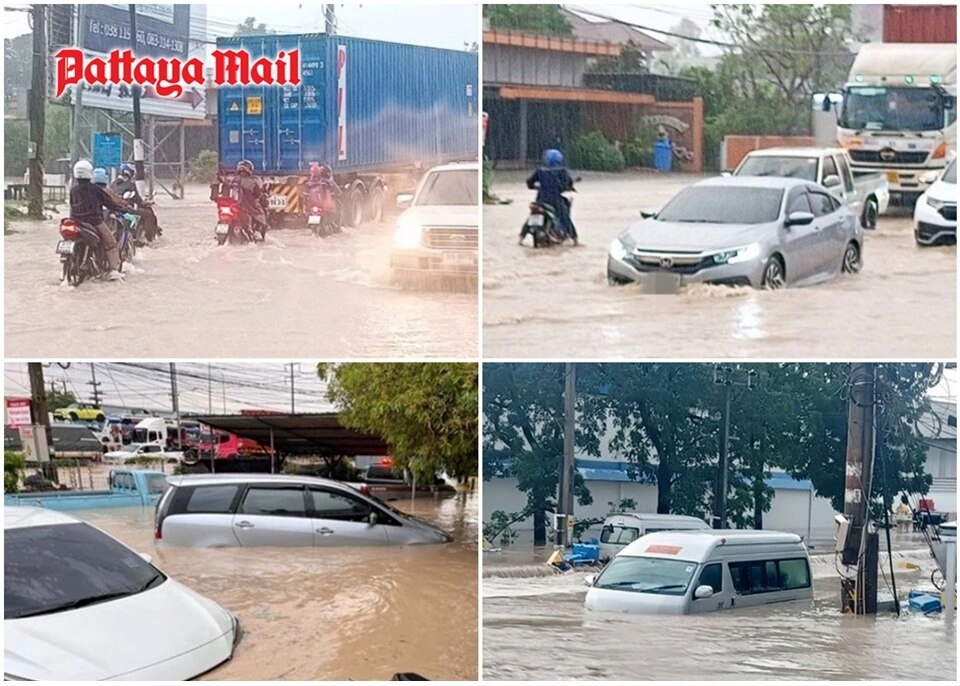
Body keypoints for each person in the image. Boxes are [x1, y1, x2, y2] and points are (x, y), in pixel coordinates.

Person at [69, 159, 124, 280]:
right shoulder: (96, 189)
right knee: (111, 244)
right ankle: (113, 271)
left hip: (75, 221)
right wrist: (124, 209)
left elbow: (71, 206)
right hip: (94, 221)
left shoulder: (73, 190)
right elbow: (110, 204)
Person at [524, 148, 577, 245]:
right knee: (565, 218)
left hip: (540, 200)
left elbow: (529, 182)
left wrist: (535, 186)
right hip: (555, 201)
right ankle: (575, 240)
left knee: (530, 217)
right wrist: (568, 187)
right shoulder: (561, 171)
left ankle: (521, 237)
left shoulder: (539, 170)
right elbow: (569, 182)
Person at [111, 163, 161, 242]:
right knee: (148, 214)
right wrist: (148, 202)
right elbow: (138, 201)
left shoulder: (112, 184)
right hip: (127, 210)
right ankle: (147, 238)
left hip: (113, 210)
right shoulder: (130, 185)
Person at [231, 159, 268, 238]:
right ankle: (258, 233)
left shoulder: (233, 180)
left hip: (236, 207)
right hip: (249, 208)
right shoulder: (253, 181)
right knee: (261, 219)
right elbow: (258, 194)